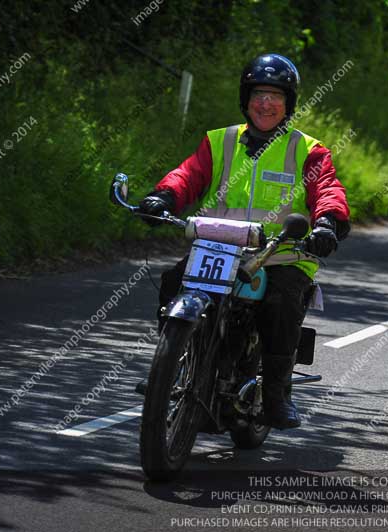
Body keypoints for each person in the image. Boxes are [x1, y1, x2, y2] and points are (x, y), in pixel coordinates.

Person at [138, 53, 350, 430]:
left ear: (288, 103)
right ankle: (172, 367)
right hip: (218, 249)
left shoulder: (308, 149)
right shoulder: (220, 141)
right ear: (245, 98)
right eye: (258, 94)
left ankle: (276, 393)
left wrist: (328, 223)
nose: (265, 104)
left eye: (275, 96)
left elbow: (328, 189)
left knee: (282, 303)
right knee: (174, 281)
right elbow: (187, 174)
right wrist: (164, 197)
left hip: (280, 255)